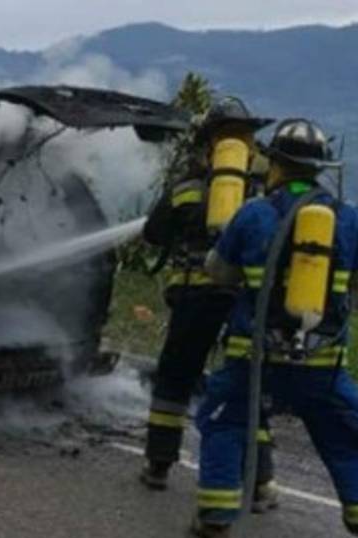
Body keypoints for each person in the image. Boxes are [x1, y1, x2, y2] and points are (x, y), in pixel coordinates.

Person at [192, 118, 358, 538]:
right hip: (322, 366)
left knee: (224, 423)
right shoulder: (349, 219)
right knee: (348, 437)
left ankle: (215, 521)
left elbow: (219, 271)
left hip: (253, 360)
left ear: (276, 165)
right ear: (321, 168)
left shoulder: (252, 214)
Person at [140, 96, 278, 511]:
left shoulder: (186, 188)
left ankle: (159, 466)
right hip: (245, 300)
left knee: (175, 378)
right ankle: (260, 484)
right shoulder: (265, 194)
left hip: (195, 296)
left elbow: (153, 234)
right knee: (247, 384)